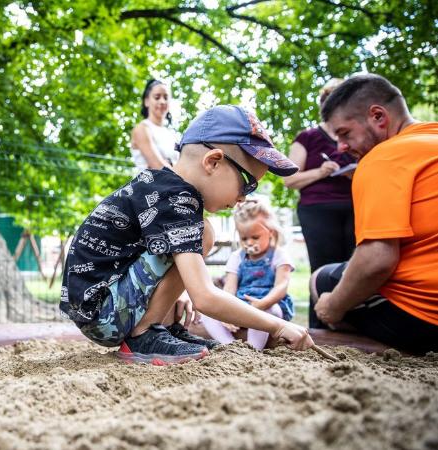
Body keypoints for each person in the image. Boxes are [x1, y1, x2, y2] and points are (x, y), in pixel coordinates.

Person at [60, 105, 314, 365]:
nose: (242, 198)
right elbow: (204, 297)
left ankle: (164, 329)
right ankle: (144, 334)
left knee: (200, 232)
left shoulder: (162, 187)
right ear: (213, 161)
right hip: (103, 310)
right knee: (203, 233)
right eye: (247, 184)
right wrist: (277, 326)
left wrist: (175, 293)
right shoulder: (178, 199)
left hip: (99, 304)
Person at [311, 73, 438, 354]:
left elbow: (377, 260)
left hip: (427, 319)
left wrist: (332, 307)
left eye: (344, 134)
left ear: (378, 117)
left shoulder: (382, 157)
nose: (341, 147)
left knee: (323, 281)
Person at [283, 79, 357, 328]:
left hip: (355, 208)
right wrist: (321, 172)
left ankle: (352, 323)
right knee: (322, 268)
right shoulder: (308, 137)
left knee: (354, 269)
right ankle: (320, 327)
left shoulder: (355, 137)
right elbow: (289, 179)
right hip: (317, 210)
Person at [201, 199, 295, 350]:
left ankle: (254, 349)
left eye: (255, 237)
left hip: (270, 305)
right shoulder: (237, 257)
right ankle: (229, 346)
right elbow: (229, 288)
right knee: (207, 314)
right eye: (244, 238)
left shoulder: (279, 255)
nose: (249, 243)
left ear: (270, 232)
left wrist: (263, 303)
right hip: (242, 305)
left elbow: (281, 286)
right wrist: (225, 312)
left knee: (268, 311)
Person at [130, 79, 179, 171]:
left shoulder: (172, 135)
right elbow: (158, 165)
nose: (162, 101)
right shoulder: (142, 129)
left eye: (166, 97)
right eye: (157, 97)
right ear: (146, 101)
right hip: (150, 184)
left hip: (174, 183)